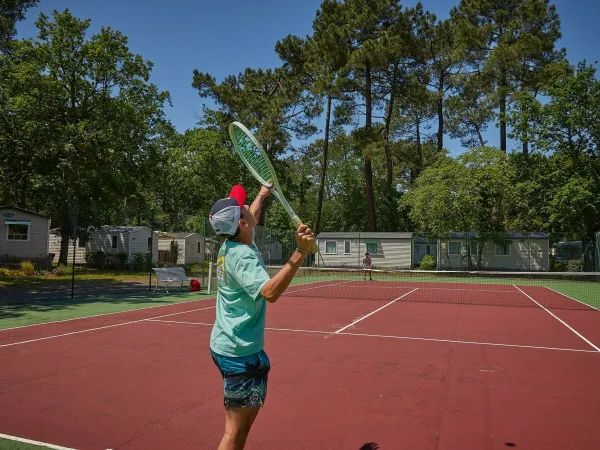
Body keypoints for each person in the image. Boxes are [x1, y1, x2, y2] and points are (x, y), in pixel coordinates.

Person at [208, 184, 315, 450]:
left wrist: (262, 194)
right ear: (243, 223)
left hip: (228, 345)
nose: (247, 207)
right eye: (243, 208)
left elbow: (248, 213)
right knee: (233, 432)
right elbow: (269, 292)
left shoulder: (232, 241)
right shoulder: (243, 256)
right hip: (239, 354)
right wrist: (300, 251)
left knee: (243, 427)